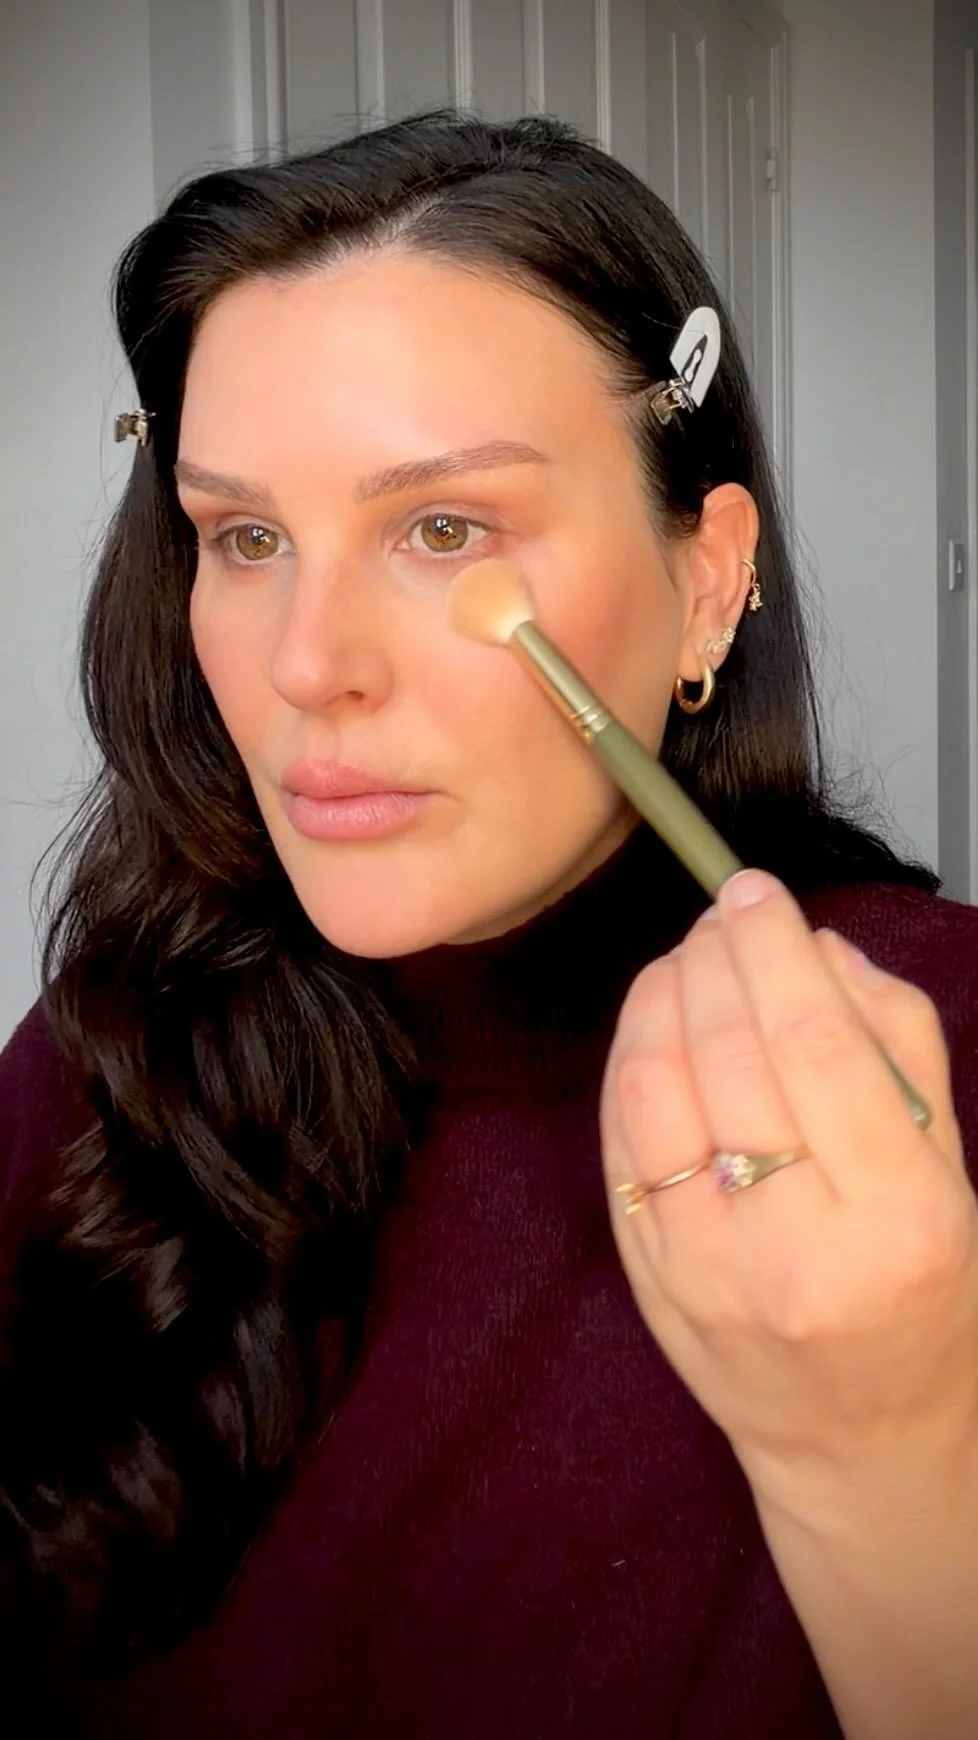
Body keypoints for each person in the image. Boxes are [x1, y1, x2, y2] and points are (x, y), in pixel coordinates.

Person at [1, 108, 976, 1740]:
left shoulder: (941, 1059)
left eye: (442, 528)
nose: (307, 664)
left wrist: (884, 1452)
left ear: (708, 579)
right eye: (245, 537)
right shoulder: (120, 1039)